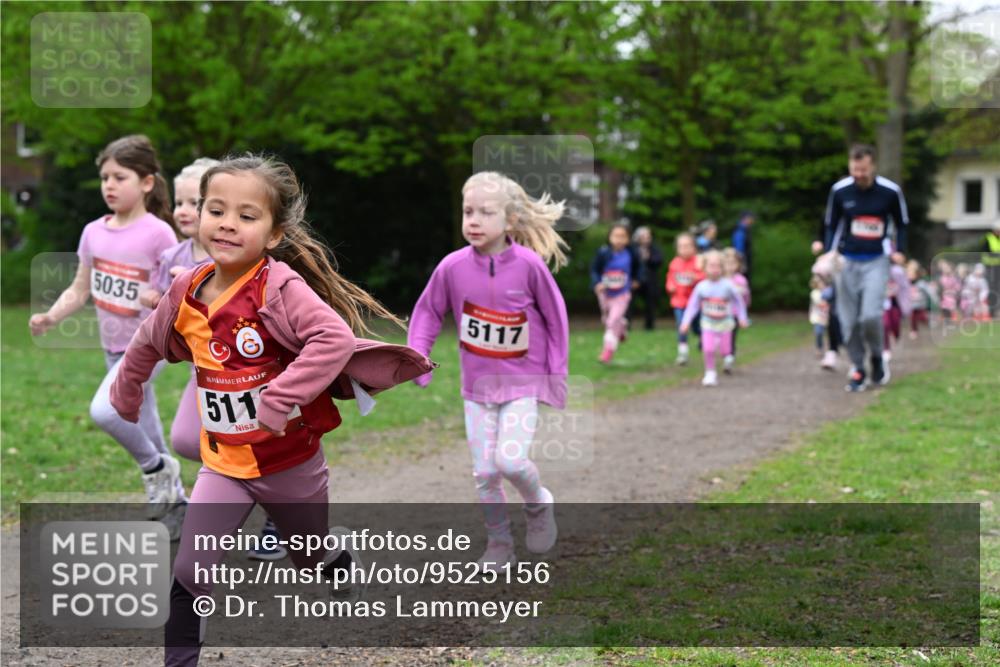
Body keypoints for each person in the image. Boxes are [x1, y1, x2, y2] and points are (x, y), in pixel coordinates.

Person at [110, 154, 433, 667]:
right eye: (216, 210)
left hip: (290, 464)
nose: (227, 224)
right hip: (225, 464)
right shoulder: (186, 289)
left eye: (246, 215)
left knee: (307, 556)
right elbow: (148, 340)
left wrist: (280, 397)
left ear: (274, 233)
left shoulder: (279, 287)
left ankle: (333, 556)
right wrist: (126, 388)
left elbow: (332, 339)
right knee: (190, 571)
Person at [408, 171, 568, 571]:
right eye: (468, 212)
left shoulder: (529, 266)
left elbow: (556, 319)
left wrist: (555, 376)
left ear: (510, 220)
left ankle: (538, 504)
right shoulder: (452, 267)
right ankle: (499, 544)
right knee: (485, 472)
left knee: (510, 462)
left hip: (522, 384)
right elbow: (428, 313)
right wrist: (418, 359)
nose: (474, 221)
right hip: (476, 390)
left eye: (485, 212)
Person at [28, 135, 183, 521]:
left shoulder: (158, 233)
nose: (109, 185)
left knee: (106, 411)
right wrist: (52, 317)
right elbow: (80, 288)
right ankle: (177, 504)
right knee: (146, 423)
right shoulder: (93, 232)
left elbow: (177, 294)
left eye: (119, 177)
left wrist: (155, 298)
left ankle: (154, 467)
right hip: (112, 349)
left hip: (150, 347)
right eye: (104, 178)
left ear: (146, 182)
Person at [814, 144, 909, 392]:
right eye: (854, 170)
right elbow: (831, 224)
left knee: (870, 316)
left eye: (863, 170)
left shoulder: (890, 192)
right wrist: (828, 253)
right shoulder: (840, 191)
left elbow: (902, 223)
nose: (858, 175)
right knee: (848, 321)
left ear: (873, 166)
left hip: (877, 260)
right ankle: (858, 367)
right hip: (846, 261)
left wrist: (900, 250)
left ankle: (876, 356)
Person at [679, 250, 748, 386]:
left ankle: (727, 356)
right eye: (711, 266)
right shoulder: (701, 287)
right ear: (704, 267)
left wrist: (742, 317)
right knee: (708, 349)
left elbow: (738, 302)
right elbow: (693, 306)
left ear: (722, 268)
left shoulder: (728, 285)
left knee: (725, 350)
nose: (715, 269)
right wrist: (686, 322)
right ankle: (710, 372)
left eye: (718, 266)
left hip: (725, 324)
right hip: (708, 323)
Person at [591, 222, 644, 363]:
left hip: (622, 293)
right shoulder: (603, 253)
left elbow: (639, 268)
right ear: (609, 237)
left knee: (612, 320)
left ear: (628, 239)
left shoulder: (632, 253)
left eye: (623, 236)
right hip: (605, 293)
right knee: (607, 319)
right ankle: (622, 327)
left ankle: (608, 350)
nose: (619, 239)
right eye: (616, 236)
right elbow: (595, 270)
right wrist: (597, 283)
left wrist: (637, 280)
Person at [665, 232, 704, 365]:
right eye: (681, 246)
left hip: (696, 303)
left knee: (697, 327)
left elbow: (705, 277)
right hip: (679, 302)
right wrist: (670, 286)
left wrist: (695, 278)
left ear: (694, 247)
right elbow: (670, 278)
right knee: (682, 326)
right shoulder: (674, 263)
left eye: (688, 246)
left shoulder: (699, 262)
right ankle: (683, 352)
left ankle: (702, 337)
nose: (684, 249)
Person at [628, 225, 664, 330]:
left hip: (650, 281)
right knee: (628, 302)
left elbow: (659, 260)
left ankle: (649, 326)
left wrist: (649, 258)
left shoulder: (654, 248)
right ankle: (626, 325)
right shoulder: (632, 248)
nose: (646, 239)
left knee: (651, 303)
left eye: (648, 236)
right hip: (635, 280)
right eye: (643, 236)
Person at [881, 252, 911, 375]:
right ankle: (886, 348)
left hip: (895, 304)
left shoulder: (898, 272)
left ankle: (896, 336)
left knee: (895, 325)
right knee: (885, 325)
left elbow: (904, 287)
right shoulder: (877, 273)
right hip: (883, 305)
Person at [721, 247, 750, 372]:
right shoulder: (719, 280)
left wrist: (743, 315)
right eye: (726, 263)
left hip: (734, 314)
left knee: (731, 336)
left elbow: (745, 298)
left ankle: (729, 358)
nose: (729, 266)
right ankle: (724, 353)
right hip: (720, 314)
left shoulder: (741, 280)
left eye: (733, 263)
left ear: (738, 265)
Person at [906, 259, 933, 339]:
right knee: (912, 318)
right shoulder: (907, 283)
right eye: (909, 274)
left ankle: (926, 322)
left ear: (916, 274)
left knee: (922, 317)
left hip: (920, 304)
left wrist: (933, 299)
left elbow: (929, 291)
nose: (910, 276)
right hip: (911, 304)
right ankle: (914, 331)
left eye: (912, 274)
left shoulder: (921, 283)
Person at [981, 223, 1000, 318]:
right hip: (991, 268)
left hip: (998, 268)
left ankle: (997, 311)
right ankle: (992, 312)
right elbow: (984, 254)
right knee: (992, 289)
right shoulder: (988, 239)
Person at [809, 273, 831, 355]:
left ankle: (831, 350)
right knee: (819, 333)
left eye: (821, 282)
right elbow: (820, 303)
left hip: (828, 317)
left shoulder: (828, 291)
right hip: (818, 318)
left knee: (831, 334)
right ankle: (819, 348)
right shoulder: (815, 293)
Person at [731, 211, 755, 284]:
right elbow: (739, 250)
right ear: (746, 219)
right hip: (743, 263)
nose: (753, 221)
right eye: (751, 219)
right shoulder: (740, 230)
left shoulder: (744, 230)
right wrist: (742, 264)